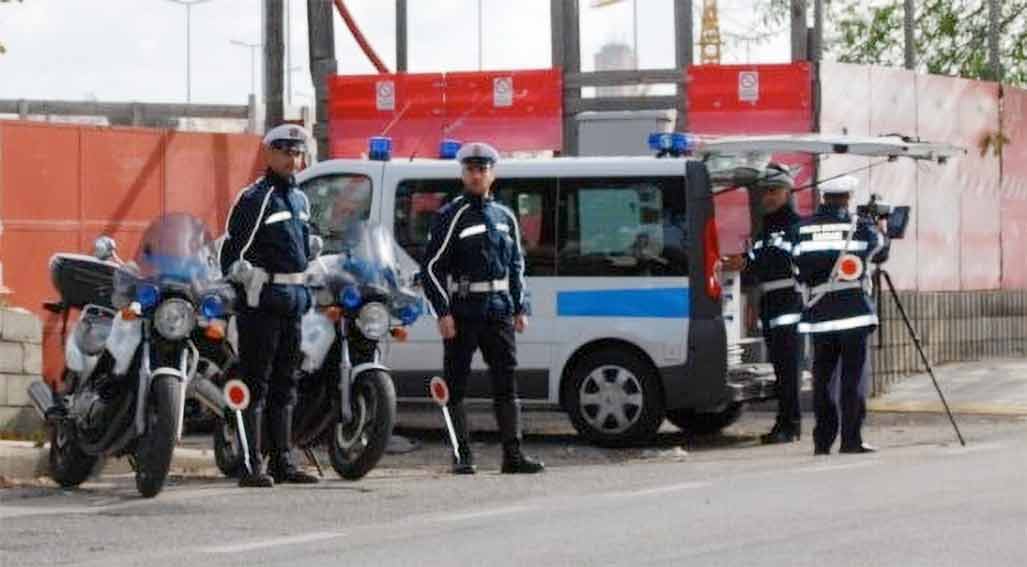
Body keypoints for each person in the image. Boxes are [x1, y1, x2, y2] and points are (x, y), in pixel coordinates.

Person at [421, 142, 544, 475]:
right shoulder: (452, 214)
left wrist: (522, 307)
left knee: (506, 383)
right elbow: (431, 267)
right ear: (463, 174)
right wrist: (442, 312)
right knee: (455, 385)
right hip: (464, 311)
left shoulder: (504, 216)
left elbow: (517, 264)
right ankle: (462, 455)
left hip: (500, 310)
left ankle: (513, 455)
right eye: (471, 170)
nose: (477, 175)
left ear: (493, 173)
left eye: (483, 169)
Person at [219, 124, 320, 487]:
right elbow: (231, 253)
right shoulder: (254, 198)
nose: (293, 159)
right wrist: (243, 274)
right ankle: (250, 464)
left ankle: (283, 462)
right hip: (261, 305)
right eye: (286, 152)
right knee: (256, 385)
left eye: (297, 153)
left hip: (292, 304)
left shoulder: (301, 200)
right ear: (270, 154)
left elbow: (304, 249)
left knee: (285, 385)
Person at [789, 176, 889, 455]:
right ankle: (851, 440)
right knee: (852, 379)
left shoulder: (801, 229)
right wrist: (880, 225)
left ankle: (822, 442)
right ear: (848, 197)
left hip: (819, 315)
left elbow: (796, 267)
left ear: (824, 197)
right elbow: (880, 252)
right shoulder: (860, 228)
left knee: (822, 380)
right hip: (855, 314)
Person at [723, 163, 803, 444]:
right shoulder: (766, 228)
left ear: (787, 191)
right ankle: (785, 423)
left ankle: (790, 425)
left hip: (789, 304)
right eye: (764, 192)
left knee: (788, 369)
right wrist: (743, 265)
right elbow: (757, 265)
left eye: (773, 191)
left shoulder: (795, 226)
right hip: (770, 302)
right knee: (782, 369)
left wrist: (749, 261)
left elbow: (781, 261)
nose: (767, 197)